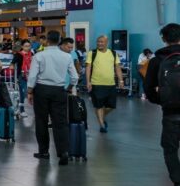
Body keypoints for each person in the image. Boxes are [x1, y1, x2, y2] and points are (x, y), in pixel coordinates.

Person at [27, 30, 78, 165]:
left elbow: (32, 76)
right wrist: (68, 88)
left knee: (41, 121)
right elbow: (75, 77)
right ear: (59, 40)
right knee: (60, 122)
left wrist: (30, 91)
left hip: (41, 90)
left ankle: (43, 152)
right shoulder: (67, 57)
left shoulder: (39, 55)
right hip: (59, 91)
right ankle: (63, 152)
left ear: (47, 40)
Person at [143, 23, 180, 186]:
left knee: (170, 148)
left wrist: (162, 100)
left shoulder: (157, 59)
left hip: (171, 113)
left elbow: (148, 89)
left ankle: (179, 183)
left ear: (164, 38)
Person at [86, 35, 123, 133]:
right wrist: (88, 81)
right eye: (98, 41)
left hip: (111, 84)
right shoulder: (92, 53)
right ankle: (102, 125)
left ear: (107, 43)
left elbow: (117, 67)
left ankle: (101, 117)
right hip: (96, 84)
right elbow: (88, 68)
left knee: (111, 106)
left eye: (102, 42)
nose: (99, 43)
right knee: (98, 106)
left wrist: (121, 80)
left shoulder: (113, 53)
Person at [12, 40, 34, 115]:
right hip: (22, 76)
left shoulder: (32, 54)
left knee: (32, 92)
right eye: (26, 46)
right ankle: (21, 110)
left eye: (29, 46)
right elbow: (12, 64)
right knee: (23, 93)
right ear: (22, 47)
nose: (28, 48)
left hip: (31, 75)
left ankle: (34, 109)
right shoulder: (18, 55)